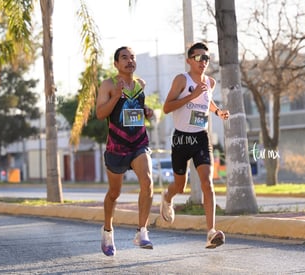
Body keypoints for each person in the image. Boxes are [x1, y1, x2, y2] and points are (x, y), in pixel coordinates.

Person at [161, 42, 230, 249]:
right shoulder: (182, 79)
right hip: (182, 138)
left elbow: (207, 101)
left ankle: (211, 232)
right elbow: (166, 107)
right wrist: (190, 96)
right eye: (199, 58)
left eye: (206, 58)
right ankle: (167, 197)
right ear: (189, 60)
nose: (203, 62)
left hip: (201, 137)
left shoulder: (210, 82)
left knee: (207, 183)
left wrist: (218, 112)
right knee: (180, 186)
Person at [96, 46, 155, 256]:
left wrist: (147, 111)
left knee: (147, 181)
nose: (129, 61)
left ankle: (142, 231)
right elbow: (100, 114)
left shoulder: (140, 84)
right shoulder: (108, 85)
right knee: (114, 193)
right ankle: (107, 231)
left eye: (132, 57)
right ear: (116, 64)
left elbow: (138, 109)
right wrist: (115, 97)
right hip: (117, 147)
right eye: (124, 57)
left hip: (139, 142)